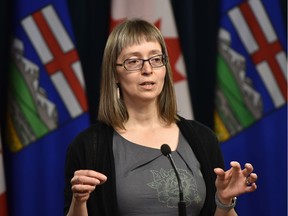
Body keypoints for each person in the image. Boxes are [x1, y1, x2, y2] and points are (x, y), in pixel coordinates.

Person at [64, 18, 257, 216]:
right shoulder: (89, 147)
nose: (148, 70)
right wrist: (79, 202)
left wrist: (224, 201)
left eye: (156, 59)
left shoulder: (202, 139)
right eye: (133, 61)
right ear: (114, 73)